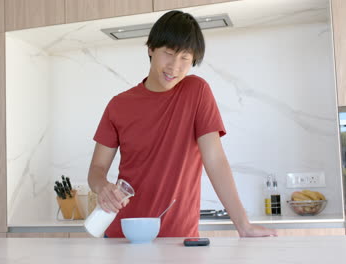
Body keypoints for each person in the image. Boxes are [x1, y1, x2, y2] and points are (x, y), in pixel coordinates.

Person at [87, 10, 277, 238]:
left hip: (178, 238)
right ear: (150, 48)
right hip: (122, 235)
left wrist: (243, 225)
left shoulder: (196, 92)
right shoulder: (118, 105)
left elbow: (215, 159)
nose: (174, 67)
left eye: (185, 58)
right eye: (168, 53)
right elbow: (96, 170)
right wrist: (102, 188)